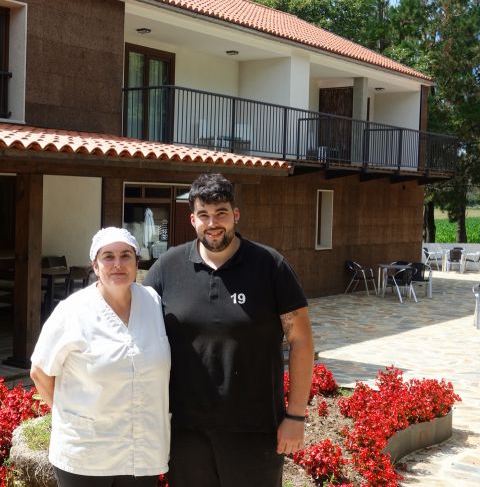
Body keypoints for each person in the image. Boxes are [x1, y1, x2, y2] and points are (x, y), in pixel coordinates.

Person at [144, 173, 314, 487]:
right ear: (192, 219)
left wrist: (296, 416)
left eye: (221, 213)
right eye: (204, 216)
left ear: (235, 214)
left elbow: (301, 340)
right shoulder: (166, 270)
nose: (213, 223)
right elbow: (138, 336)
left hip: (255, 431)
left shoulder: (270, 266)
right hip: (184, 432)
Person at [30, 227, 170, 487]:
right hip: (87, 453)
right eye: (108, 256)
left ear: (137, 263)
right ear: (95, 265)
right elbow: (40, 371)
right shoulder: (72, 311)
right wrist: (68, 416)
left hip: (142, 452)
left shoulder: (153, 303)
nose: (117, 264)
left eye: (126, 255)